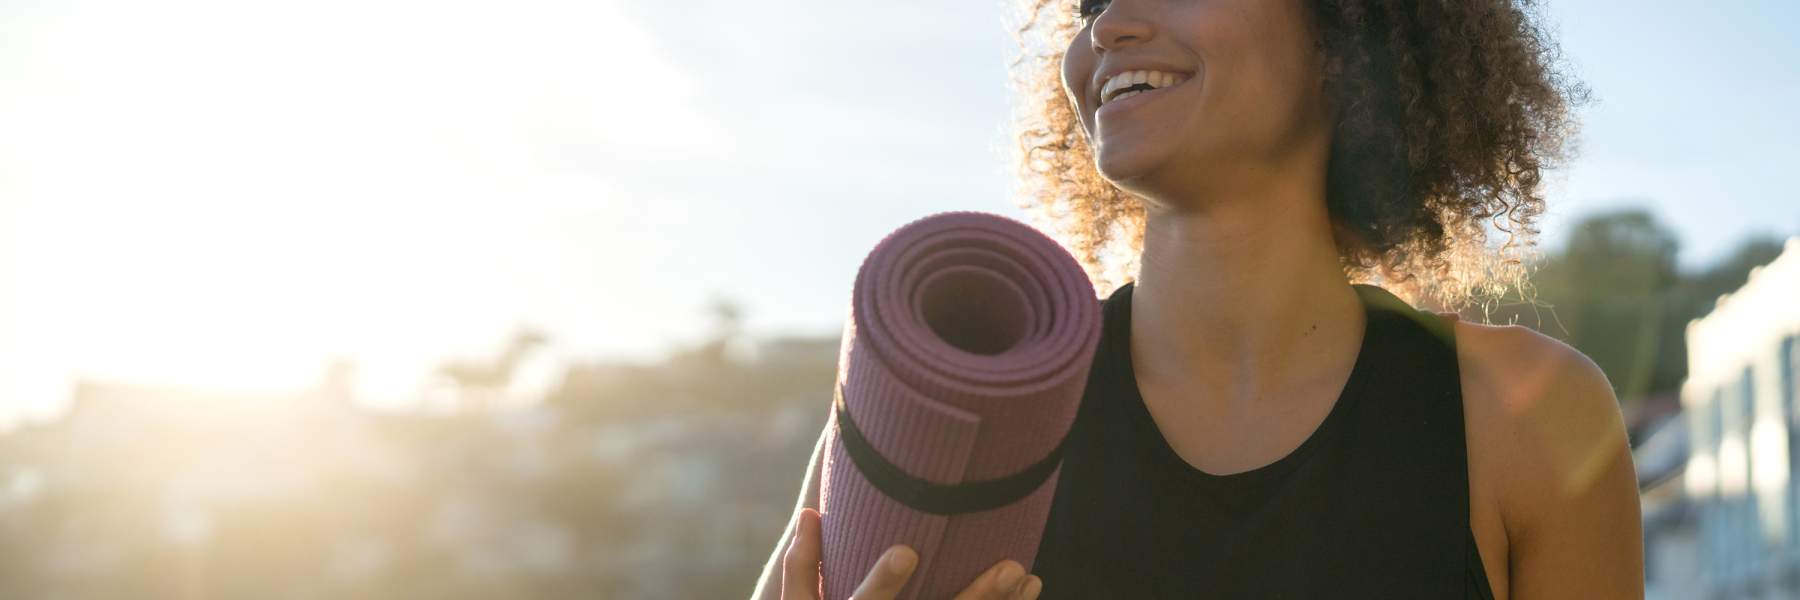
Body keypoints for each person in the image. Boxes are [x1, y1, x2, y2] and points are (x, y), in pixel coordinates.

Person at [754, 0, 1643, 597]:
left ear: (1348, 33)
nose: (1111, 26)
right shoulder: (958, 405)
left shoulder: (1528, 414)